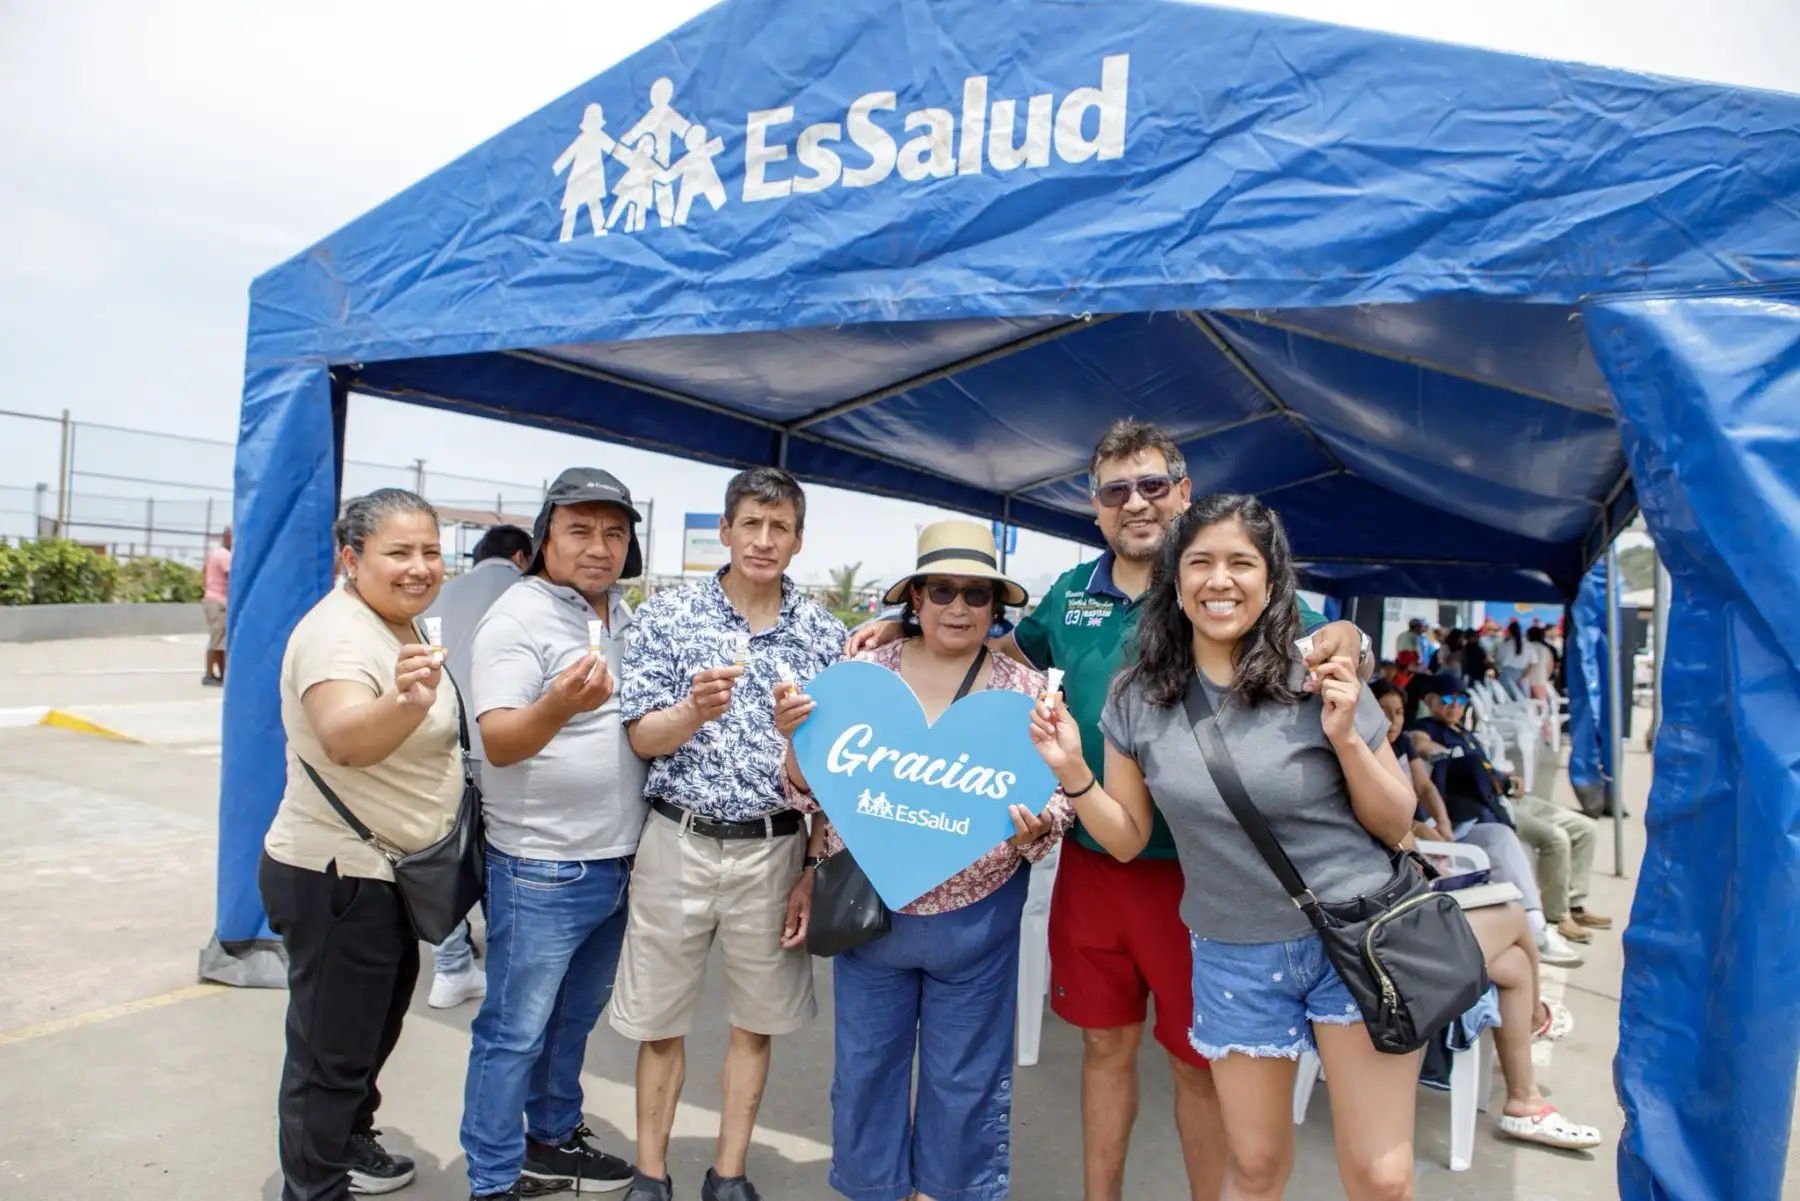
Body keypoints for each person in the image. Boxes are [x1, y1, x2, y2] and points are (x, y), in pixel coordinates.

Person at [845, 420, 1371, 1201]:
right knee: (1103, 1046)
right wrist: (904, 625)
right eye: (1116, 490)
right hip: (1098, 862)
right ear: (1095, 508)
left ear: (1184, 494)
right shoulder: (1067, 596)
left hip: (1205, 874)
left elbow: (1321, 630)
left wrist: (1352, 632)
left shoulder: (1212, 584)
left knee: (1200, 1066)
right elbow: (997, 659)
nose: (1137, 503)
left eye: (1154, 485)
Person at [1030, 493, 1424, 1201]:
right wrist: (1075, 773)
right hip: (1235, 953)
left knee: (1382, 1175)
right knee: (1255, 1169)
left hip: (1355, 936)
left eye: (1241, 562)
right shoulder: (1137, 695)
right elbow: (1128, 838)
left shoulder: (1319, 674)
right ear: (1174, 581)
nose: (1220, 580)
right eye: (1201, 562)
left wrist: (1344, 735)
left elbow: (1397, 822)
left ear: (1271, 580)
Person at [782, 521, 1074, 1201]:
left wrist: (1036, 831)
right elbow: (804, 787)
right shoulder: (857, 680)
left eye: (976, 593)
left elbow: (1060, 796)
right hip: (871, 915)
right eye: (942, 589)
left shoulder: (1027, 691)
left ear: (995, 607)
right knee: (864, 1070)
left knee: (966, 1079)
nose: (959, 606)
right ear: (914, 597)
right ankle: (872, 1187)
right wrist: (793, 741)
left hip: (979, 922)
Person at [613, 467, 847, 1201]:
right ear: (725, 529)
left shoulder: (824, 634)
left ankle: (730, 1172)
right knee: (660, 1020)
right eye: (751, 523)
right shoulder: (668, 615)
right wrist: (692, 712)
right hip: (677, 837)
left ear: (799, 540)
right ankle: (651, 1173)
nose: (764, 539)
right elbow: (644, 738)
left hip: (777, 847)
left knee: (757, 1021)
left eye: (780, 527)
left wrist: (814, 863)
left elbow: (836, 769)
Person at [258, 489, 461, 1199]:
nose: (419, 566)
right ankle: (312, 1185)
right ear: (352, 557)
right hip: (336, 874)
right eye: (398, 552)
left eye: (430, 550)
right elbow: (344, 736)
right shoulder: (340, 634)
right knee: (329, 1052)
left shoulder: (397, 622)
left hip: (383, 877)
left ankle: (346, 1139)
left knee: (366, 1032)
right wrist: (405, 704)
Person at [459, 472, 648, 1200]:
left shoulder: (624, 613)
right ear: (545, 537)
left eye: (614, 532)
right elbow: (500, 740)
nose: (599, 547)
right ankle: (493, 1177)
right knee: (512, 1032)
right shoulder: (519, 616)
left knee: (571, 1022)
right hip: (541, 866)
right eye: (580, 530)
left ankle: (551, 1138)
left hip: (615, 860)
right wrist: (560, 703)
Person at [1371, 680, 1564, 969]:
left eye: (1398, 712)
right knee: (1508, 845)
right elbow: (1422, 751)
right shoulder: (1385, 745)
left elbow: (1424, 788)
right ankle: (1535, 928)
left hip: (1446, 828)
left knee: (1504, 839)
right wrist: (1430, 830)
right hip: (1410, 850)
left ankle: (1537, 923)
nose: (1392, 720)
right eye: (1383, 711)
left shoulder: (1403, 742)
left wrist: (1443, 825)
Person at [1410, 678, 1606, 959]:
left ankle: (1575, 903)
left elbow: (1484, 767)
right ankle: (1557, 917)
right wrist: (1439, 753)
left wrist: (1507, 778)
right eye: (1446, 700)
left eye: (1461, 700)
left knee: (1585, 828)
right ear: (1429, 701)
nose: (1454, 706)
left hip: (1508, 797)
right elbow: (1421, 745)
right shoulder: (1426, 729)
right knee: (1555, 839)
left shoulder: (1464, 731)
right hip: (1484, 811)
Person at [421, 523, 533, 1011]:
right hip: (505, 749)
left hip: (441, 748)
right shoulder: (530, 595)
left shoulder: (438, 597)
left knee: (445, 860)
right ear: (521, 556)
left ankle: (451, 967)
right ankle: (506, 969)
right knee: (503, 862)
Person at [1458, 903, 1603, 1150]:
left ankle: (1524, 1100)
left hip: (1397, 921)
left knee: (1514, 962)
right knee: (1514, 913)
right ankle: (1535, 1015)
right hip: (1388, 938)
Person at [202, 526, 232, 686]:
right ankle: (209, 674)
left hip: (212, 598)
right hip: (219, 601)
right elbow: (232, 578)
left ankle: (220, 674)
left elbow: (204, 571)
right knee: (218, 639)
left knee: (220, 640)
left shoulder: (215, 553)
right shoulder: (225, 556)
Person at [1496, 621, 1529, 698]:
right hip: (1522, 676)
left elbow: (1499, 659)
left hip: (1506, 675)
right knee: (1523, 702)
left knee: (1506, 700)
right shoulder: (1528, 645)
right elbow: (1532, 663)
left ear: (1509, 631)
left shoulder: (1504, 645)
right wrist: (1525, 676)